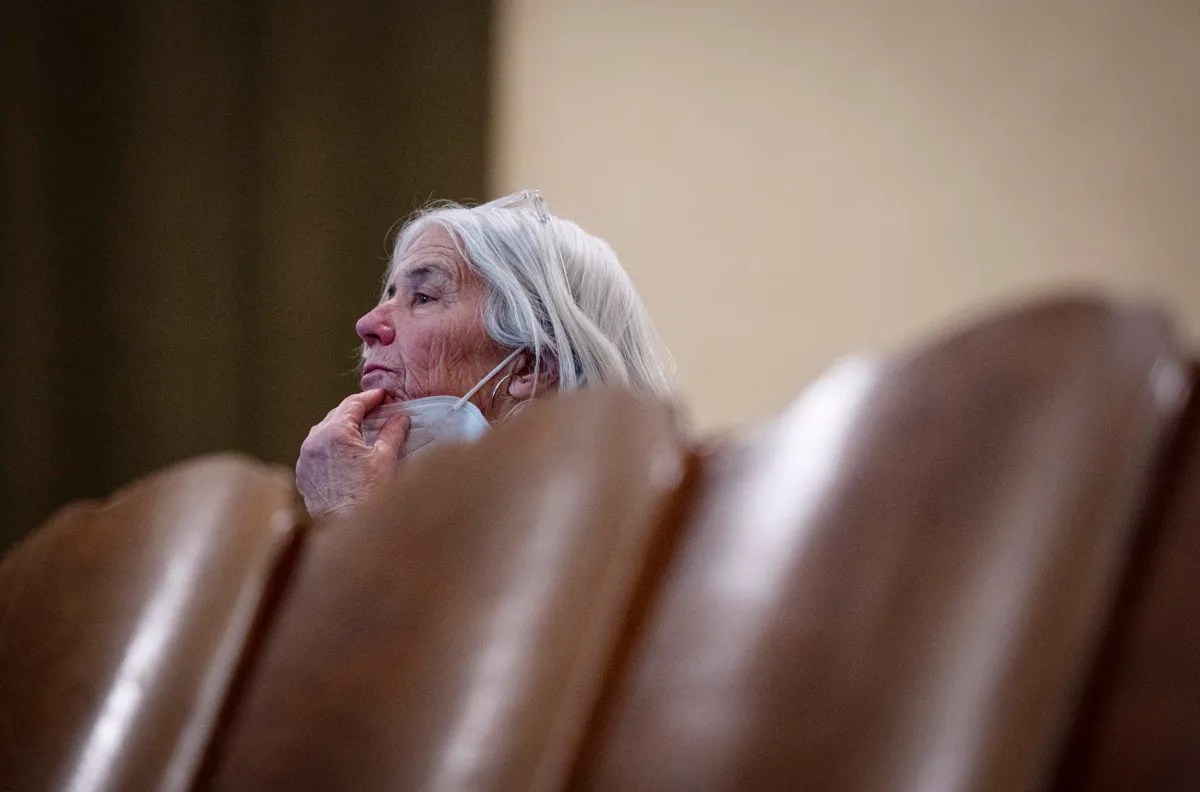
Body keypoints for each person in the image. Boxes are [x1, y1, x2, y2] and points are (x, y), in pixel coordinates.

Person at [295, 190, 672, 518]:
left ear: (532, 366)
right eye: (391, 294)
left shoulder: (587, 537)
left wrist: (348, 512)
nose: (367, 323)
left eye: (424, 297)